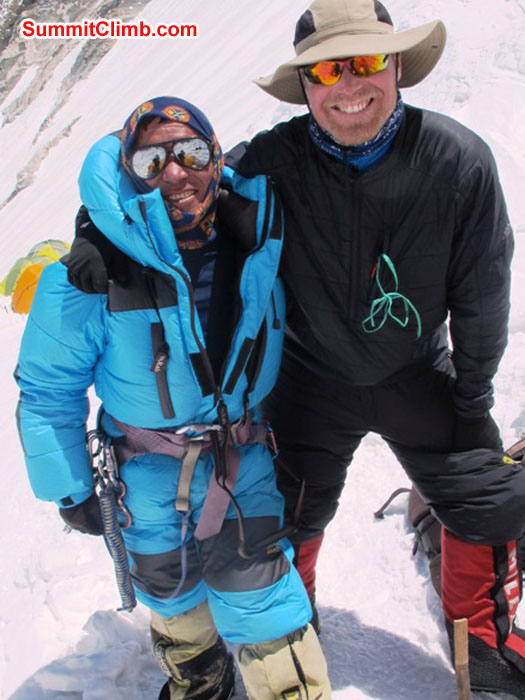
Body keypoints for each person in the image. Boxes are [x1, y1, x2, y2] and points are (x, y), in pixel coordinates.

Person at [62, 1, 525, 696]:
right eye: (325, 70)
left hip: (417, 374)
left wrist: (472, 395)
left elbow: (483, 287)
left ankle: (480, 639)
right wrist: (93, 233)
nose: (347, 85)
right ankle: (288, 622)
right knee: (287, 509)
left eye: (365, 62)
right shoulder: (271, 163)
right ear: (304, 84)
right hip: (310, 381)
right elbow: (174, 191)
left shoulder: (455, 161)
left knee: (487, 496)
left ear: (396, 65)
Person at [15, 96, 331, 700]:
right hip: (144, 475)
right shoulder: (87, 275)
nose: (175, 173)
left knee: (260, 592)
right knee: (168, 589)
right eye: (151, 161)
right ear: (128, 173)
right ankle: (199, 676)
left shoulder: (260, 240)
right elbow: (48, 390)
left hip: (243, 461)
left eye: (189, 152)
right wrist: (71, 487)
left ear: (215, 157)